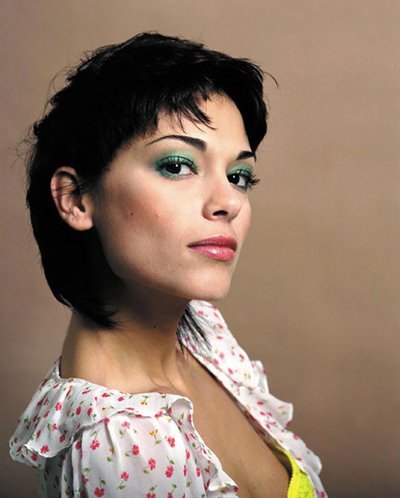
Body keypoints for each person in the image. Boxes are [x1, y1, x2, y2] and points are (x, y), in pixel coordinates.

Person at [9, 33, 326, 498]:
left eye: (239, 176)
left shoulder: (202, 334)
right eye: (177, 165)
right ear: (75, 199)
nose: (228, 202)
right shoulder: (121, 445)